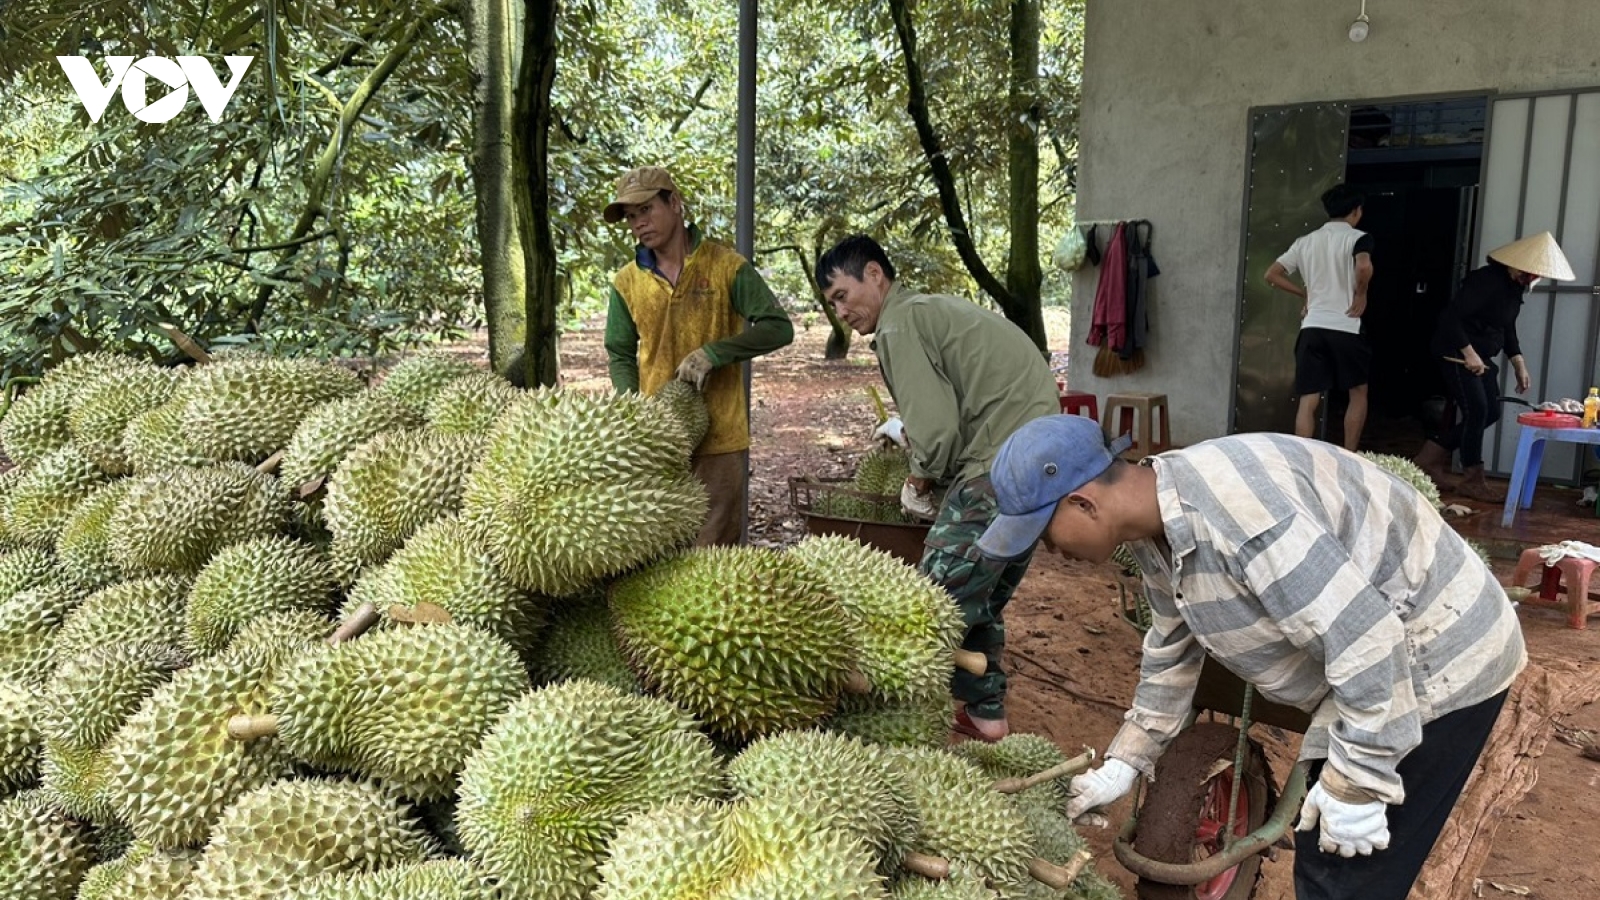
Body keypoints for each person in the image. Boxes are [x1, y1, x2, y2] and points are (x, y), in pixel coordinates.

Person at [975, 415, 1527, 900]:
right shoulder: (1156, 517)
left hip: (1438, 656)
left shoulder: (1245, 521)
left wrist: (1359, 784)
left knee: (1347, 872)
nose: (1049, 550)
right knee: (1325, 853)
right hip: (1371, 652)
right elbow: (1172, 641)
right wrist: (1127, 759)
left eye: (1043, 534)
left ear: (1084, 501)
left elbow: (1370, 644)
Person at [816, 234, 1060, 742]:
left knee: (930, 601)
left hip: (997, 466)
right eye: (832, 303)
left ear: (875, 275)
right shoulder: (930, 313)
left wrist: (918, 477)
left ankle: (890, 722)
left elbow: (938, 432)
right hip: (1038, 465)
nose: (840, 311)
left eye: (842, 294)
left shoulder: (901, 323)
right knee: (979, 594)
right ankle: (985, 714)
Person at [602, 166, 794, 546]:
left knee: (711, 557)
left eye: (646, 210)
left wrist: (716, 353)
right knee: (655, 553)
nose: (639, 223)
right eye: (631, 217)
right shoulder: (627, 281)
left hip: (720, 438)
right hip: (656, 438)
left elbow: (778, 326)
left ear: (674, 203)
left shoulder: (727, 267)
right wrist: (634, 409)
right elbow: (619, 353)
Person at [1413, 231, 1574, 502]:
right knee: (1476, 410)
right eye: (1529, 273)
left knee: (1490, 413)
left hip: (1480, 356)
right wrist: (1469, 353)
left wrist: (1519, 363)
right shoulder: (1486, 281)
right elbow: (1450, 318)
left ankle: (1427, 460)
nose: (1532, 278)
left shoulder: (1513, 288)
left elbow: (1506, 327)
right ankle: (1472, 480)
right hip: (1456, 351)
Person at [1265, 183, 1375, 452]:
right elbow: (1363, 265)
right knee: (1358, 392)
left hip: (1312, 327)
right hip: (1347, 326)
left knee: (1309, 398)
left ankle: (1303, 456)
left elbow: (1272, 274)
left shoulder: (1305, 241)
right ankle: (1349, 455)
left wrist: (1304, 294)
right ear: (1356, 211)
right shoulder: (1359, 238)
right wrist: (1361, 293)